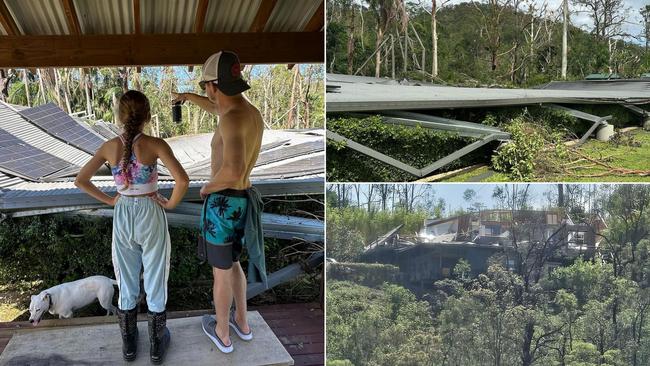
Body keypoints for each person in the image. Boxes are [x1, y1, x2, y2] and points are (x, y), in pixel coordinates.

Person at [75, 90, 189, 364]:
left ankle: (128, 346)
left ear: (119, 116)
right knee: (156, 275)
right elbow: (182, 181)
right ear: (148, 116)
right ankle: (156, 345)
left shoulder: (108, 146)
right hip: (151, 210)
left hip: (124, 211)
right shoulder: (156, 144)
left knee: (126, 278)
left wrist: (112, 200)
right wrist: (171, 204)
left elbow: (81, 180)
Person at [172, 50, 267, 354]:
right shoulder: (247, 112)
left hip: (223, 201)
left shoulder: (231, 120)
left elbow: (233, 169)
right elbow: (218, 109)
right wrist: (187, 96)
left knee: (220, 273)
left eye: (204, 87)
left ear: (213, 85)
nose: (205, 93)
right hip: (242, 200)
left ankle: (223, 332)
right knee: (234, 263)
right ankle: (242, 322)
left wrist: (206, 188)